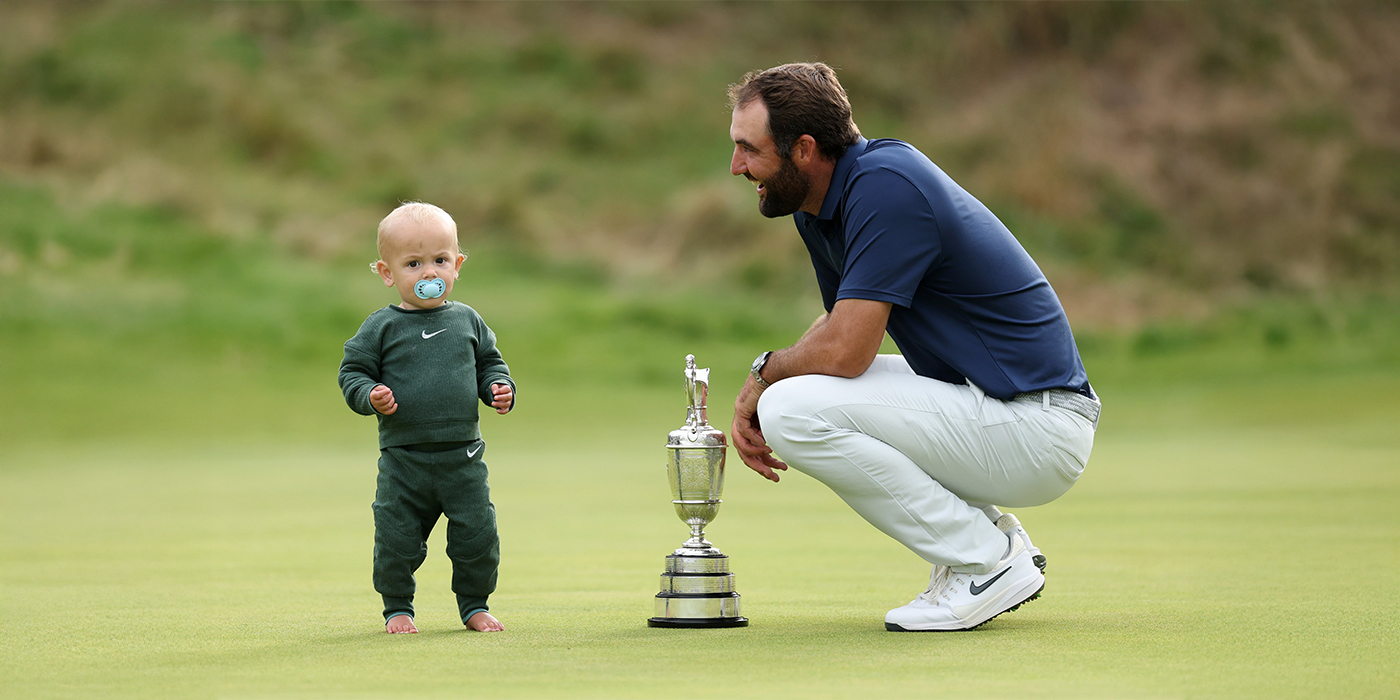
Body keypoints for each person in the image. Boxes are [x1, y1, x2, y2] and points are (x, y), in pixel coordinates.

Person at [725, 63, 1100, 632]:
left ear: (803, 149)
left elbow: (848, 351)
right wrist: (772, 374)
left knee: (788, 409)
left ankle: (986, 561)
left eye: (748, 149)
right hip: (996, 409)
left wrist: (763, 376)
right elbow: (838, 320)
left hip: (1039, 426)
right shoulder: (820, 205)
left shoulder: (884, 185)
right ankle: (986, 539)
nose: (737, 166)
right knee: (795, 394)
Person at [339, 202, 516, 634]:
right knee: (396, 539)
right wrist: (369, 395)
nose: (428, 274)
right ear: (387, 272)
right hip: (404, 461)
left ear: (457, 264)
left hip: (463, 457)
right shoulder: (381, 326)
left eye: (440, 261)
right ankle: (398, 607)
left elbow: (489, 364)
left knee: (478, 536)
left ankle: (474, 604)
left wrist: (497, 388)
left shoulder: (467, 321)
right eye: (413, 264)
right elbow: (353, 373)